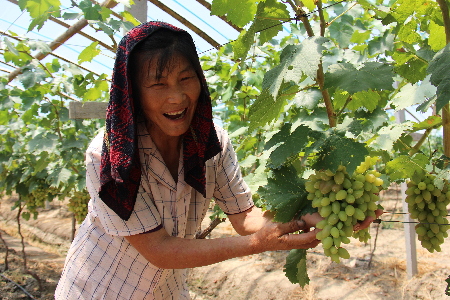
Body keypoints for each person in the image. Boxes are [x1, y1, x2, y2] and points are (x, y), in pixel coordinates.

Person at [55, 22, 379, 299]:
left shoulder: (212, 143)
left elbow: (245, 216)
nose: (177, 97)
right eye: (158, 84)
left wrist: (308, 220)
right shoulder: (111, 156)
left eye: (186, 78)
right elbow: (160, 250)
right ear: (133, 93)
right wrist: (256, 245)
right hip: (98, 289)